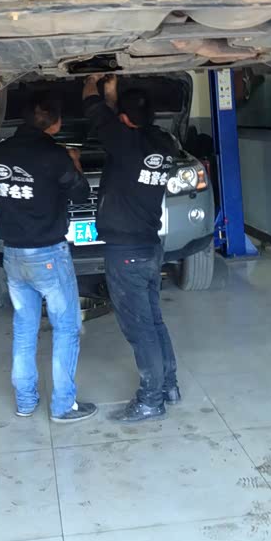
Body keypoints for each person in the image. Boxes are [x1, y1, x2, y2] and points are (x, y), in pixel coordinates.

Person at [0, 91, 97, 423]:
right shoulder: (54, 155)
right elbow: (81, 194)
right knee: (66, 327)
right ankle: (63, 405)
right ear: (55, 123)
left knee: (24, 328)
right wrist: (74, 161)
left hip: (13, 255)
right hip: (48, 254)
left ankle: (25, 402)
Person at [83, 73, 180, 423]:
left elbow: (91, 105)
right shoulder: (164, 143)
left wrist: (94, 81)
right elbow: (115, 124)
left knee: (140, 330)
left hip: (126, 253)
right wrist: (113, 96)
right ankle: (169, 386)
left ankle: (151, 400)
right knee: (153, 321)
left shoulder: (123, 143)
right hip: (150, 247)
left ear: (123, 119)